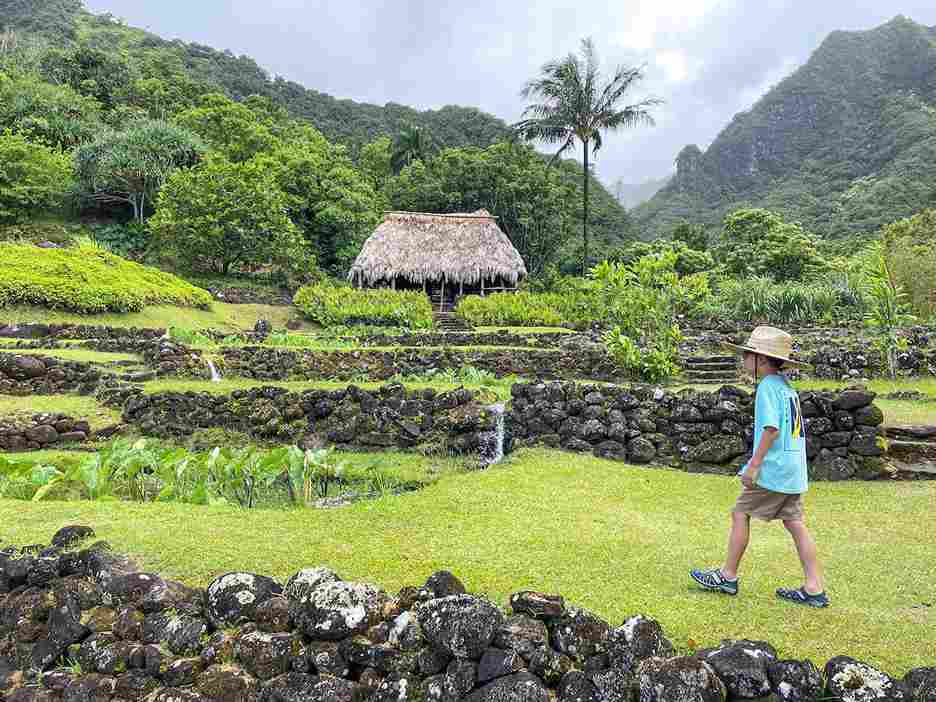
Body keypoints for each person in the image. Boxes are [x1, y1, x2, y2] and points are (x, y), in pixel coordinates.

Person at [690, 326, 829, 607]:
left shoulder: (767, 387)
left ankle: (727, 576)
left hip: (774, 469)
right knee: (795, 523)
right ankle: (814, 588)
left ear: (761, 360)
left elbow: (771, 429)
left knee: (740, 513)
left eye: (748, 355)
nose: (744, 360)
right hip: (793, 469)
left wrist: (753, 466)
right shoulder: (786, 388)